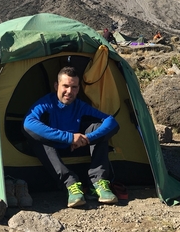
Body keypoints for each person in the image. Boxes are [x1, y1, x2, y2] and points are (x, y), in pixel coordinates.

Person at [23, 66, 120, 208]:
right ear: (56, 85)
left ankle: (97, 183)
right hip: (52, 151)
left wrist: (88, 138)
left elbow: (111, 121)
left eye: (74, 87)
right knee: (36, 137)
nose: (69, 91)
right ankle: (71, 184)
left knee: (100, 129)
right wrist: (69, 138)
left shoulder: (79, 106)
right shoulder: (46, 104)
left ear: (78, 88)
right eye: (65, 86)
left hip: (76, 148)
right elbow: (28, 124)